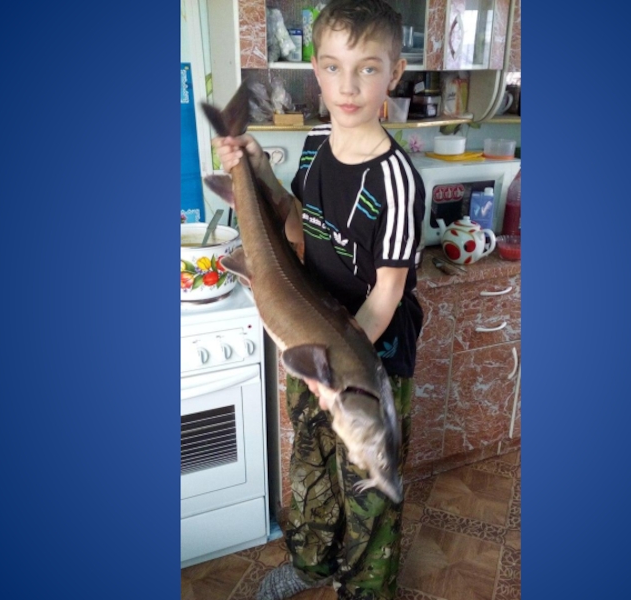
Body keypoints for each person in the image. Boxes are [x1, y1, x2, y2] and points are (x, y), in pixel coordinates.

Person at [212, 1, 425, 598]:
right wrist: (258, 170)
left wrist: (336, 373)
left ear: (394, 73)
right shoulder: (314, 144)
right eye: (333, 67)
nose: (347, 86)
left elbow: (386, 296)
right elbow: (297, 223)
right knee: (310, 469)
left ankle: (365, 590)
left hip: (367, 363)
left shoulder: (397, 182)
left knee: (369, 491)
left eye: (367, 68)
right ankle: (310, 564)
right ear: (316, 71)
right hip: (311, 341)